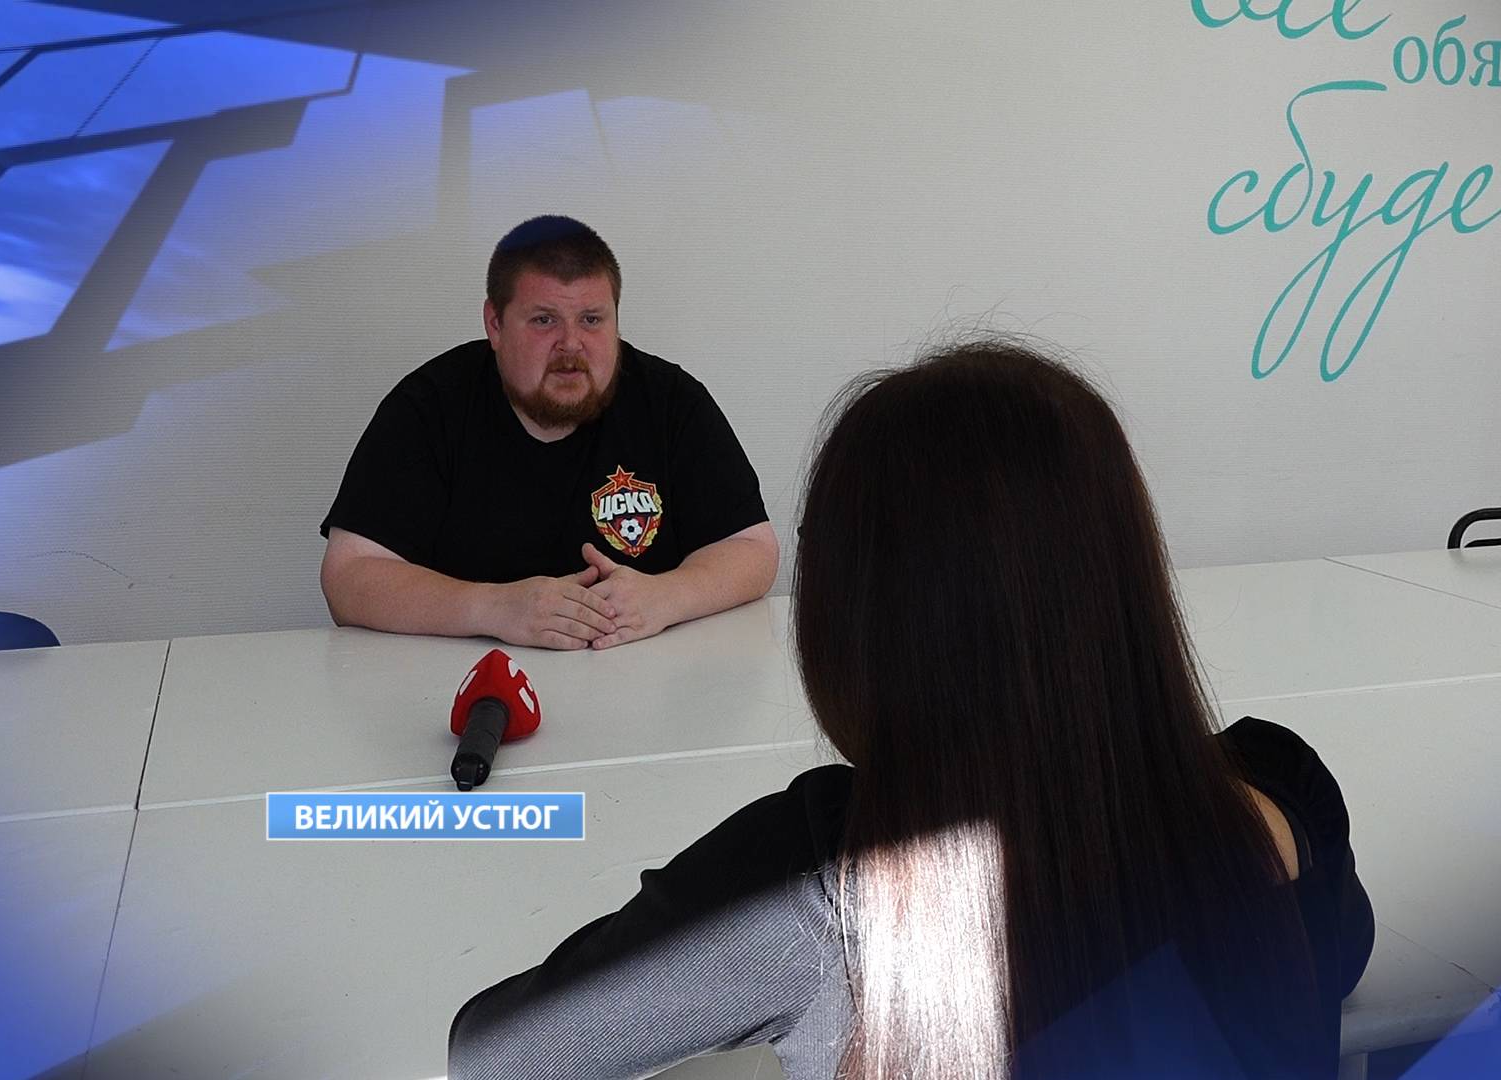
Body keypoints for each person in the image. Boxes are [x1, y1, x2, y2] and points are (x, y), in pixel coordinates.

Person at [447, 340, 1374, 1078]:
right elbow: (1346, 955)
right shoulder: (1279, 789)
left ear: (864, 615)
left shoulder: (817, 877)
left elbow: (500, 1054)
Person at [319, 216, 777, 651]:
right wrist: (492, 608)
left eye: (591, 319)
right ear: (495, 324)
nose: (571, 344)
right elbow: (347, 577)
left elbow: (753, 550)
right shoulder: (429, 406)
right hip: (467, 685)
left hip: (646, 681)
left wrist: (666, 596)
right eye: (544, 320)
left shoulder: (671, 400)